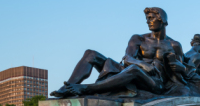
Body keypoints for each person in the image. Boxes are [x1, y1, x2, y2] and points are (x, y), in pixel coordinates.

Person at [51, 7, 189, 98]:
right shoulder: (138, 38)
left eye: (152, 18)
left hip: (154, 82)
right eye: (147, 19)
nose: (148, 22)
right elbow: (127, 58)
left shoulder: (174, 45)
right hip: (131, 70)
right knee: (90, 53)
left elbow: (182, 73)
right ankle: (66, 88)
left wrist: (180, 67)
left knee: (134, 69)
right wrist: (143, 64)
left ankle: (87, 89)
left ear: (162, 20)